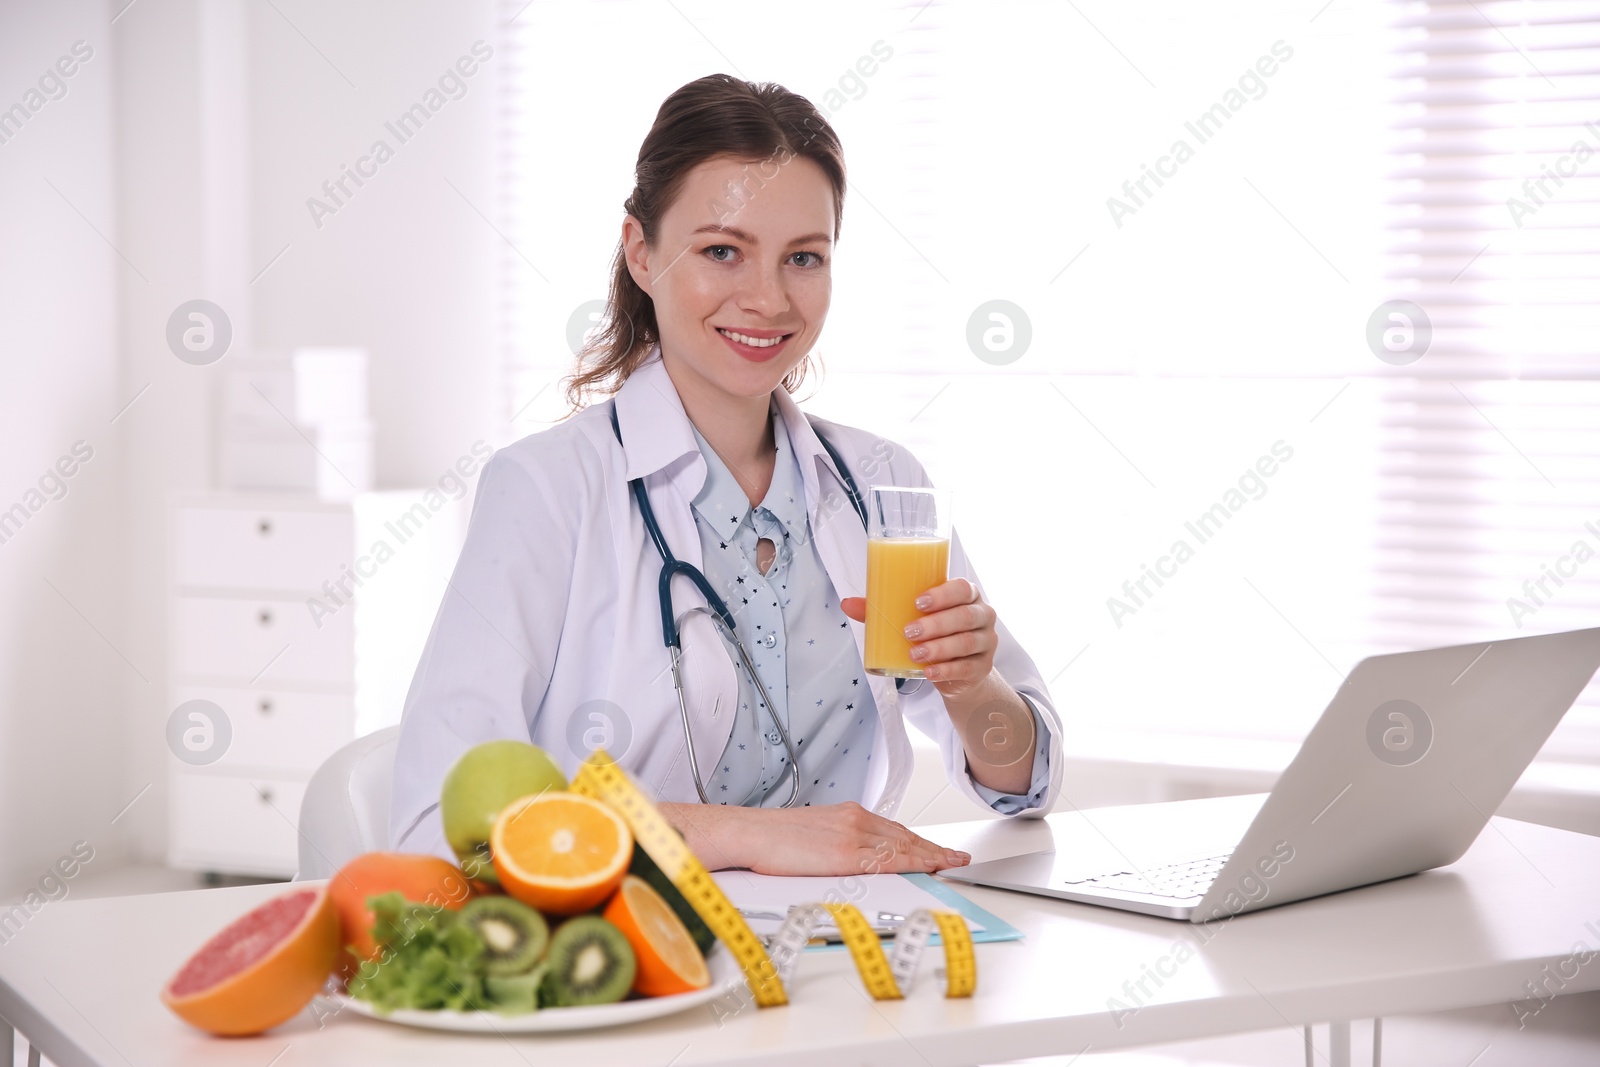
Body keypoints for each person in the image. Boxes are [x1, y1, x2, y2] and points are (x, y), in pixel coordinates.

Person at [390, 73, 1063, 877]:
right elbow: (440, 828)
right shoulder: (547, 489)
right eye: (721, 251)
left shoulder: (880, 481)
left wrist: (971, 686)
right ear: (641, 251)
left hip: (857, 946)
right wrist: (744, 834)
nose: (769, 298)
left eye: (803, 258)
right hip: (643, 956)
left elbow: (1023, 784)